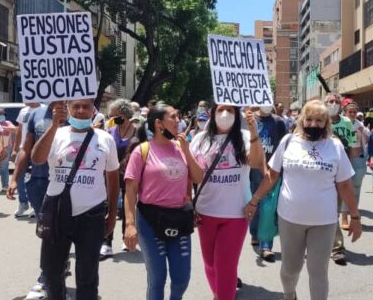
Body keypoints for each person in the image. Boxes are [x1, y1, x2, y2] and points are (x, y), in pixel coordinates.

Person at [245, 100, 361, 300]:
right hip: (290, 218)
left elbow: (344, 185)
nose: (313, 124)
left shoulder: (335, 146)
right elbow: (272, 176)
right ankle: (290, 295)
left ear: (326, 123)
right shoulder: (288, 141)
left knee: (318, 271)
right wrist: (254, 200)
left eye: (319, 120)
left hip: (324, 221)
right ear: (302, 120)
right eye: (309, 119)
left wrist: (355, 217)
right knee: (290, 269)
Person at [30, 99, 120, 300]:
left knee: (87, 276)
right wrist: (54, 125)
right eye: (76, 106)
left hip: (92, 214)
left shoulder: (105, 139)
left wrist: (112, 214)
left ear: (93, 109)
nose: (80, 111)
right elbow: (36, 159)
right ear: (68, 108)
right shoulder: (56, 134)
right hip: (57, 213)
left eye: (86, 107)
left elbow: (113, 180)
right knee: (52, 272)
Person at [123, 103, 205, 300]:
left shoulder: (182, 147)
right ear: (159, 123)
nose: (179, 121)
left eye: (178, 117)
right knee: (157, 278)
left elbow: (198, 177)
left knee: (181, 279)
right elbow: (131, 190)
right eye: (173, 117)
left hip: (179, 219)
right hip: (150, 221)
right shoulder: (141, 151)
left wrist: (186, 150)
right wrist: (130, 224)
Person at [190, 104, 264, 300]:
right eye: (221, 109)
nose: (225, 114)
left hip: (236, 213)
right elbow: (190, 173)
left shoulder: (246, 137)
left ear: (237, 114)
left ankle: (225, 296)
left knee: (226, 264)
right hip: (205, 211)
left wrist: (254, 131)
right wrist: (188, 204)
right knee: (210, 263)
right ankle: (219, 293)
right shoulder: (199, 139)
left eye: (230, 110)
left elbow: (256, 163)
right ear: (212, 113)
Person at [7, 102, 60, 300]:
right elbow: (25, 148)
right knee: (46, 230)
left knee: (58, 231)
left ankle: (48, 274)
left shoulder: (76, 111)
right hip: (37, 183)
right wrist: (14, 178)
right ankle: (50, 272)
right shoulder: (35, 114)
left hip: (65, 184)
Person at [100, 99, 139, 259]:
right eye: (111, 116)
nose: (112, 119)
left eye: (115, 116)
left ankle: (126, 237)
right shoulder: (109, 132)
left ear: (125, 114)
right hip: (111, 174)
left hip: (131, 175)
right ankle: (106, 241)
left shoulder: (139, 131)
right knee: (109, 206)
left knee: (128, 205)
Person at [248, 105, 286, 262]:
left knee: (268, 208)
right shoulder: (250, 119)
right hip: (250, 170)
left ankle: (266, 245)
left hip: (271, 171)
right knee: (254, 204)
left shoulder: (278, 122)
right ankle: (255, 233)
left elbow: (285, 145)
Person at [324, 93, 358, 266]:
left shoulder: (346, 123)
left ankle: (337, 248)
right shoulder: (320, 119)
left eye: (337, 102)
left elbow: (352, 148)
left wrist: (348, 171)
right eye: (330, 101)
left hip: (339, 173)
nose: (334, 104)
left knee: (333, 211)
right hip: (322, 173)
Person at [12, 103, 43, 217]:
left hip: (38, 150)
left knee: (36, 178)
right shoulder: (23, 111)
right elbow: (19, 131)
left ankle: (35, 206)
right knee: (19, 176)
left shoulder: (44, 109)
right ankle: (23, 203)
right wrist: (15, 149)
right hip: (23, 149)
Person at [341, 102, 368, 231]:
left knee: (356, 188)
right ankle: (344, 217)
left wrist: (363, 133)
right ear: (345, 112)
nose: (352, 114)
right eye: (349, 112)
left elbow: (367, 140)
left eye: (354, 112)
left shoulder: (360, 125)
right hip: (345, 158)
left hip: (358, 159)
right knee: (345, 187)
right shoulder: (342, 123)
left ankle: (353, 214)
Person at [0, 109, 17, 192]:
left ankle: (5, 186)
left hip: (6, 148)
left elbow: (15, 129)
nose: (1, 117)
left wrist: (4, 127)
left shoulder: (7, 123)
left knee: (4, 167)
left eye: (2, 115)